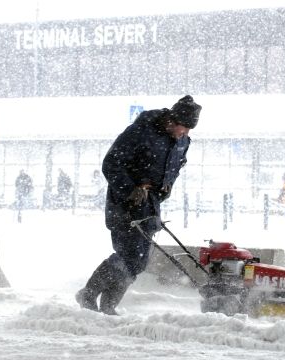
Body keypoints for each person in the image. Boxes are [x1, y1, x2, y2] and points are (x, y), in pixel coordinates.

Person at [75, 95, 202, 315]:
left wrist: (167, 185)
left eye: (189, 130)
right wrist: (130, 188)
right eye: (183, 128)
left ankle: (107, 304)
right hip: (125, 204)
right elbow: (111, 163)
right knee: (130, 256)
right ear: (172, 120)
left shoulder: (182, 141)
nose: (185, 133)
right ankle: (88, 293)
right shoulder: (141, 131)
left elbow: (177, 165)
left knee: (138, 261)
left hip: (150, 205)